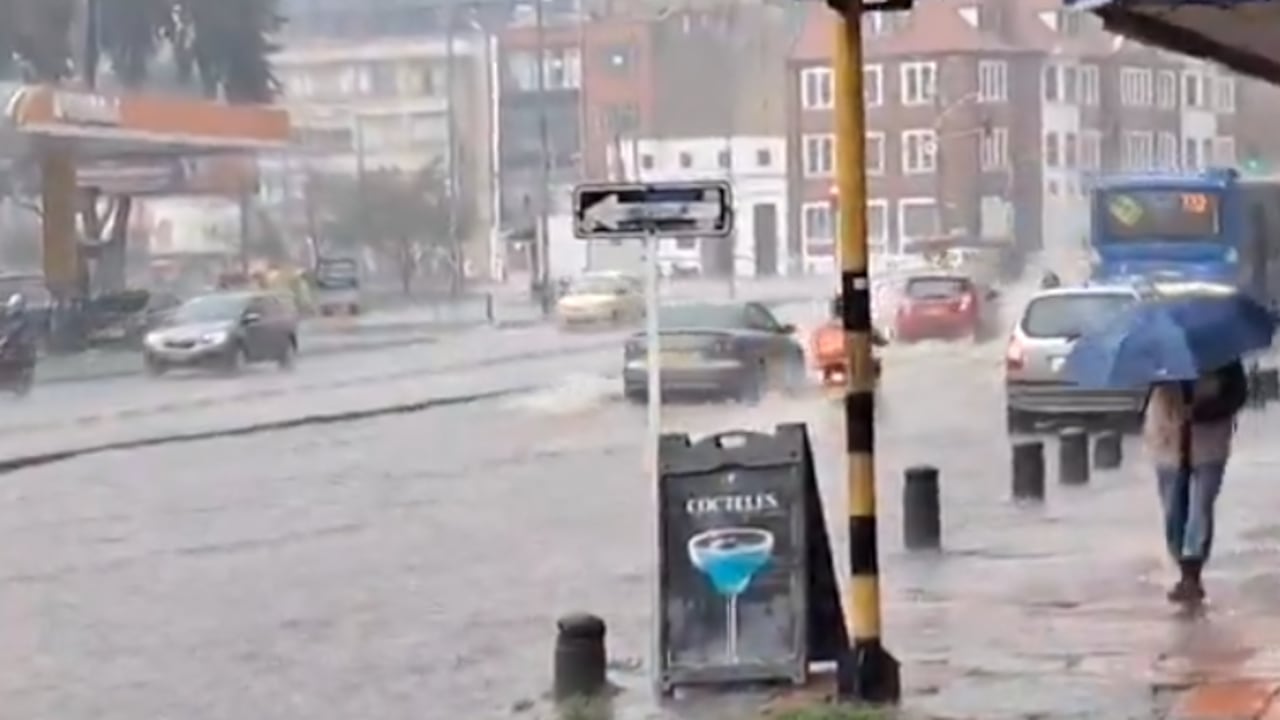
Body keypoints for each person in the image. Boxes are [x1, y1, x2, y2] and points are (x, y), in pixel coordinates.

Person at [1143, 359, 1249, 603]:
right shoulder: (1158, 356)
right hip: (1167, 439)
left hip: (1209, 443)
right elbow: (1146, 389)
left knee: (1201, 507)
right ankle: (1182, 563)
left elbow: (1237, 394)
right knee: (1173, 509)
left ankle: (1192, 572)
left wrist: (1206, 410)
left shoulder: (1224, 357)